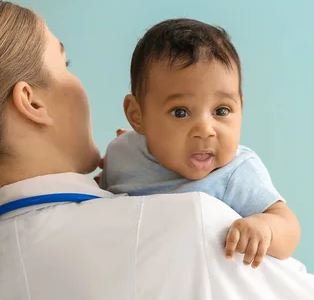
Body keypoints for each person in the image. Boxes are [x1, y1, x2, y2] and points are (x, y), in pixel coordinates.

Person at [0, 0, 314, 300]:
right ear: (32, 102)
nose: (205, 129)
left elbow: (282, 220)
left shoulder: (222, 175)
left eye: (221, 110)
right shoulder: (196, 229)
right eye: (66, 64)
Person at [99, 19, 299, 268]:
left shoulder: (236, 172)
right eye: (180, 112)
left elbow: (288, 225)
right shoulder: (122, 153)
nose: (206, 130)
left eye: (222, 110)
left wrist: (265, 228)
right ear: (138, 116)